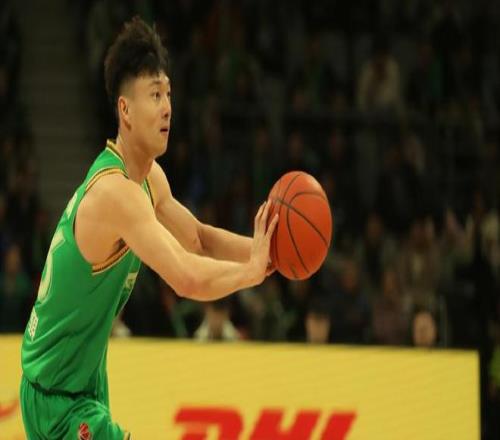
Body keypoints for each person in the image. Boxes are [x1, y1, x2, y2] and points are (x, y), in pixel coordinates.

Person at [19, 17, 278, 440]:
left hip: (79, 382)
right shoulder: (115, 194)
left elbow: (197, 238)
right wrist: (251, 273)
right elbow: (186, 277)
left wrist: (268, 252)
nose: (167, 107)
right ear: (125, 110)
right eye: (155, 95)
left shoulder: (148, 178)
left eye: (169, 94)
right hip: (56, 396)